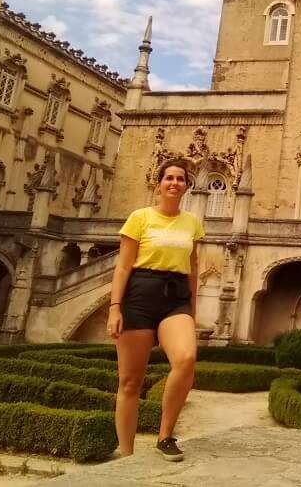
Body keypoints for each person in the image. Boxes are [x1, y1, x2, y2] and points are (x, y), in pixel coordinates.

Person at [107, 158, 202, 461]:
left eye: (181, 179)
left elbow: (194, 267)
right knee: (130, 381)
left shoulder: (193, 223)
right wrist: (114, 308)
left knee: (186, 359)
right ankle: (126, 452)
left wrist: (192, 307)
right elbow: (123, 267)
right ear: (158, 183)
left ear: (187, 186)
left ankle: (165, 436)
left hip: (176, 296)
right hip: (140, 292)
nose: (175, 183)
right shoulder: (140, 218)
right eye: (169, 178)